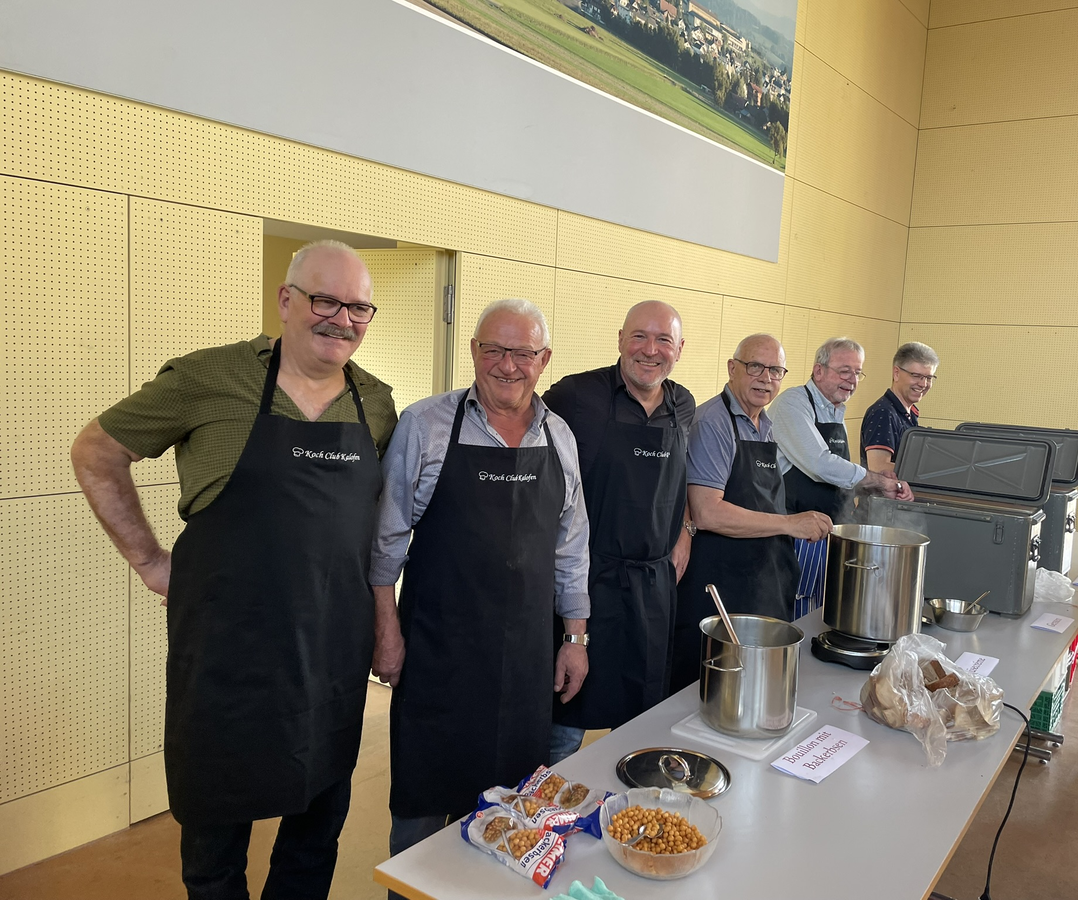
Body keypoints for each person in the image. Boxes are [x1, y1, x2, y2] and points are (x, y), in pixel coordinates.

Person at [70, 240, 398, 900]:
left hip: (331, 651)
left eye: (358, 307)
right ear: (286, 300)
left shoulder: (376, 403)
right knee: (215, 838)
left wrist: (384, 624)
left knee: (317, 829)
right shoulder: (209, 378)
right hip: (228, 655)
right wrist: (149, 560)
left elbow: (376, 530)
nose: (342, 320)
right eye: (325, 300)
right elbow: (96, 452)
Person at [370, 298, 590, 864]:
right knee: (421, 817)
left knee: (511, 817)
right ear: (473, 351)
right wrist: (385, 630)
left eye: (523, 353)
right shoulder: (425, 425)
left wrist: (575, 638)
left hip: (525, 662)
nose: (507, 365)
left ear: (544, 360)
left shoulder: (560, 437)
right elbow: (386, 542)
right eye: (494, 349)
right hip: (437, 657)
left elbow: (571, 550)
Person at [541, 301, 696, 762]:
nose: (650, 350)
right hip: (589, 582)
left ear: (679, 349)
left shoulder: (682, 405)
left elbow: (684, 478)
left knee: (640, 724)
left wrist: (685, 529)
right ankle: (547, 801)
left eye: (663, 340)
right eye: (639, 336)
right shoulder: (574, 395)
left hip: (653, 591)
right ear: (621, 339)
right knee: (565, 725)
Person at [669, 334, 832, 693]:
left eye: (775, 370)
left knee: (756, 692)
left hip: (760, 583)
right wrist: (790, 523)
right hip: (723, 587)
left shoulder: (766, 425)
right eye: (755, 366)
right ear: (732, 368)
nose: (766, 378)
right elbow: (707, 512)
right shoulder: (713, 423)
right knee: (711, 692)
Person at [771, 337, 912, 616]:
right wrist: (877, 480)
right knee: (797, 610)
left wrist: (875, 486)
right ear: (819, 371)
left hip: (830, 532)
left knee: (822, 610)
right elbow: (821, 464)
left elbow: (841, 476)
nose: (852, 380)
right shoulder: (793, 403)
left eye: (857, 373)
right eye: (844, 371)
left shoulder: (835, 411)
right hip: (796, 534)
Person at [861, 341, 939, 473]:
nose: (923, 384)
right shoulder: (883, 412)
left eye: (929, 378)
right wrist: (930, 471)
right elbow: (879, 468)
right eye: (916, 376)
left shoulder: (908, 412)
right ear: (896, 373)